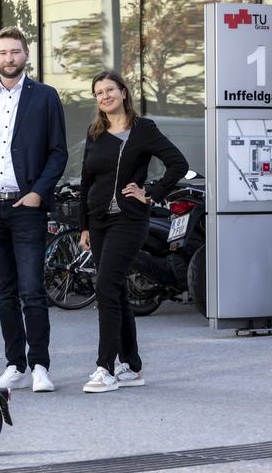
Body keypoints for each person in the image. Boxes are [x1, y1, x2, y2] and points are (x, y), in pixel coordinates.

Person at [0, 26, 68, 392]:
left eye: (16, 52)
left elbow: (58, 152)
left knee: (32, 289)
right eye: (3, 52)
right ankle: (14, 364)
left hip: (27, 208)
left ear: (26, 56)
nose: (9, 58)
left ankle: (40, 365)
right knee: (3, 291)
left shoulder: (46, 97)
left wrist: (39, 192)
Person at [78, 70, 187, 393]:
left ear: (124, 93)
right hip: (98, 222)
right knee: (117, 290)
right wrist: (83, 225)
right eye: (98, 92)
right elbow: (87, 181)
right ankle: (133, 366)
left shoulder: (143, 130)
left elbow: (177, 164)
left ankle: (105, 367)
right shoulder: (96, 132)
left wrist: (151, 192)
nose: (104, 96)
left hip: (129, 220)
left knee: (107, 286)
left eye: (109, 89)